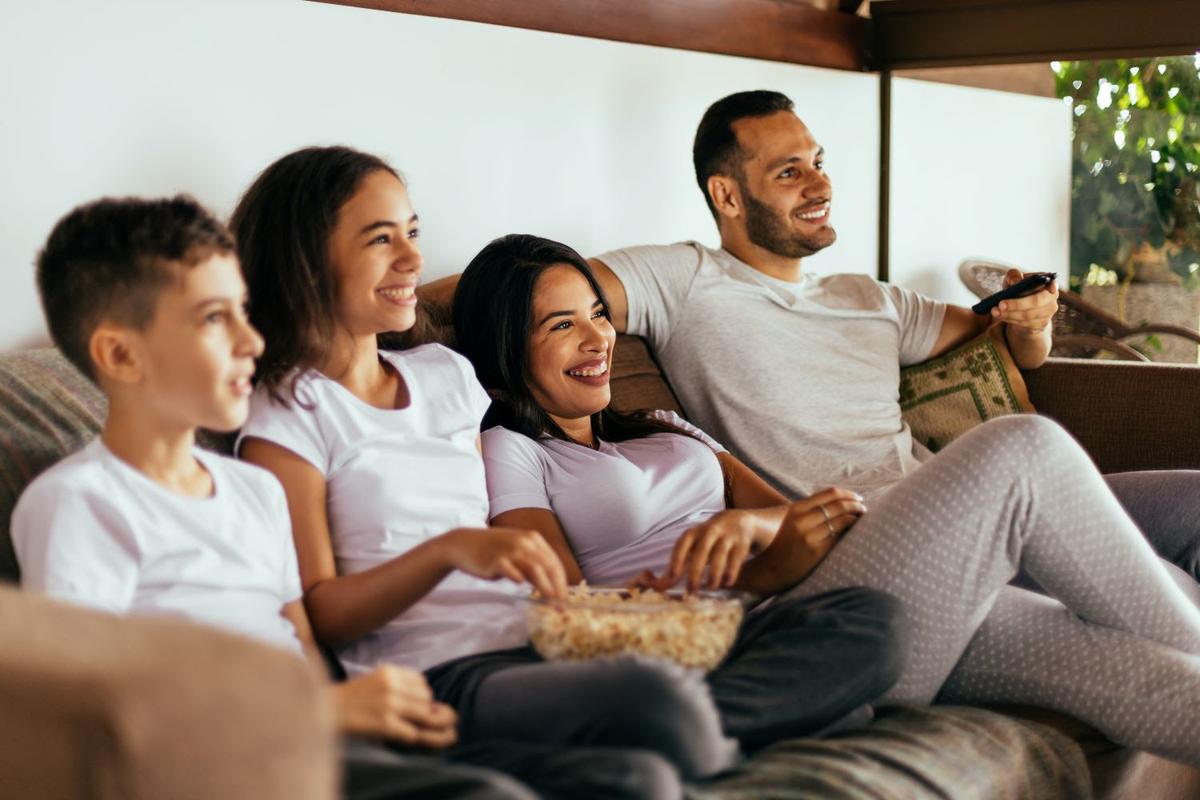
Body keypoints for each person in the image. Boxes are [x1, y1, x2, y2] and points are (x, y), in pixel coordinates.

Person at [229, 145, 905, 786]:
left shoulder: (445, 375)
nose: (413, 257)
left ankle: (687, 733)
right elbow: (322, 615)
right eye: (382, 239)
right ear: (307, 261)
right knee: (651, 700)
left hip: (544, 641)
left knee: (870, 622)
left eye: (413, 231)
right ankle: (701, 729)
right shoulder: (285, 413)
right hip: (439, 672)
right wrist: (451, 552)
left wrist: (631, 602)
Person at [452, 232, 1200, 767]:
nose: (597, 338)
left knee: (1133, 672)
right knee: (1020, 450)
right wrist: (736, 574)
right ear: (508, 346)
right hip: (777, 637)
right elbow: (566, 612)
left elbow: (780, 511)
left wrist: (754, 529)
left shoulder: (658, 424)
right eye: (561, 325)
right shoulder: (513, 450)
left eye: (596, 314)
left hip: (825, 586)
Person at [423, 89, 1200, 583]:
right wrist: (404, 311)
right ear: (727, 195)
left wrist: (1032, 323)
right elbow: (533, 284)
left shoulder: (872, 299)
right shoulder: (682, 279)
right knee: (1023, 448)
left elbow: (1007, 343)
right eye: (790, 171)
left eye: (819, 163)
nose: (821, 184)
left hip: (967, 500)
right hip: (865, 537)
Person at [11, 195, 540, 800]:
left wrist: (359, 719)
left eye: (243, 310)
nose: (251, 341)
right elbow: (87, 718)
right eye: (214, 318)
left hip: (319, 746)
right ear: (121, 354)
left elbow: (305, 654)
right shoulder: (79, 502)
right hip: (223, 771)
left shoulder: (252, 488)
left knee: (622, 775)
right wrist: (326, 713)